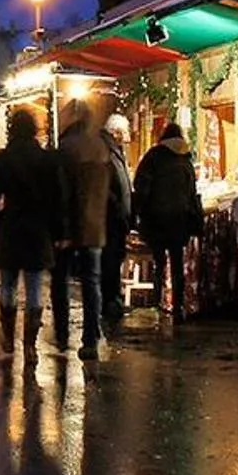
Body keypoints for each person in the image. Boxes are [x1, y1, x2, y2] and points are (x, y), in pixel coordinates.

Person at [0, 107, 64, 356]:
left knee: (8, 285)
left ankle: (9, 339)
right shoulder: (46, 159)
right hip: (37, 228)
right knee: (34, 287)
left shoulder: (2, 159)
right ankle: (30, 345)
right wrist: (57, 231)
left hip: (11, 225)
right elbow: (57, 198)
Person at [50, 102, 111, 359]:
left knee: (60, 281)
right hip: (95, 226)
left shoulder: (65, 149)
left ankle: (63, 334)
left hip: (68, 226)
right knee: (91, 283)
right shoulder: (101, 148)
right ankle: (90, 338)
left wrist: (60, 229)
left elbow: (60, 193)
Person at [131, 123, 202, 328]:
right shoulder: (185, 159)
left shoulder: (154, 156)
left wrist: (137, 211)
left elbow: (141, 185)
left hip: (156, 217)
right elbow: (192, 190)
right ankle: (177, 305)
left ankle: (157, 301)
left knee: (159, 261)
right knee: (177, 262)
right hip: (180, 219)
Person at [99, 113, 135, 335]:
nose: (127, 136)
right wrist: (117, 208)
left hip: (116, 217)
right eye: (125, 131)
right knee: (110, 261)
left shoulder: (114, 151)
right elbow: (106, 186)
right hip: (110, 218)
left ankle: (113, 300)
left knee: (114, 259)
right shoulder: (106, 151)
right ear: (116, 133)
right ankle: (110, 302)